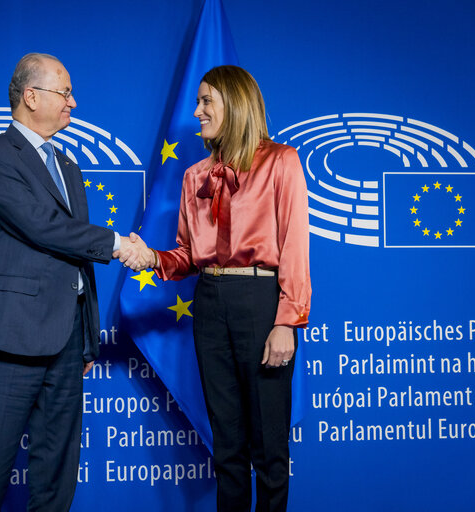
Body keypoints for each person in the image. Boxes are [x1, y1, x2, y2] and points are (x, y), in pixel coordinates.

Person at [0, 53, 144, 512]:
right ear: (31, 96)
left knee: (56, 482)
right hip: (7, 342)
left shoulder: (69, 166)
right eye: (65, 92)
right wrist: (118, 243)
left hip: (65, 345)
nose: (73, 103)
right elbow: (41, 225)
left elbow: (73, 256)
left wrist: (86, 336)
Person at [133, 65, 310, 511]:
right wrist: (151, 258)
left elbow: (294, 248)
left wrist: (287, 321)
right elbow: (188, 255)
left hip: (261, 304)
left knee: (269, 449)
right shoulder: (196, 176)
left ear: (235, 103)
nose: (197, 112)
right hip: (209, 305)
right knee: (227, 448)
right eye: (197, 102)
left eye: (206, 101)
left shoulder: (281, 161)